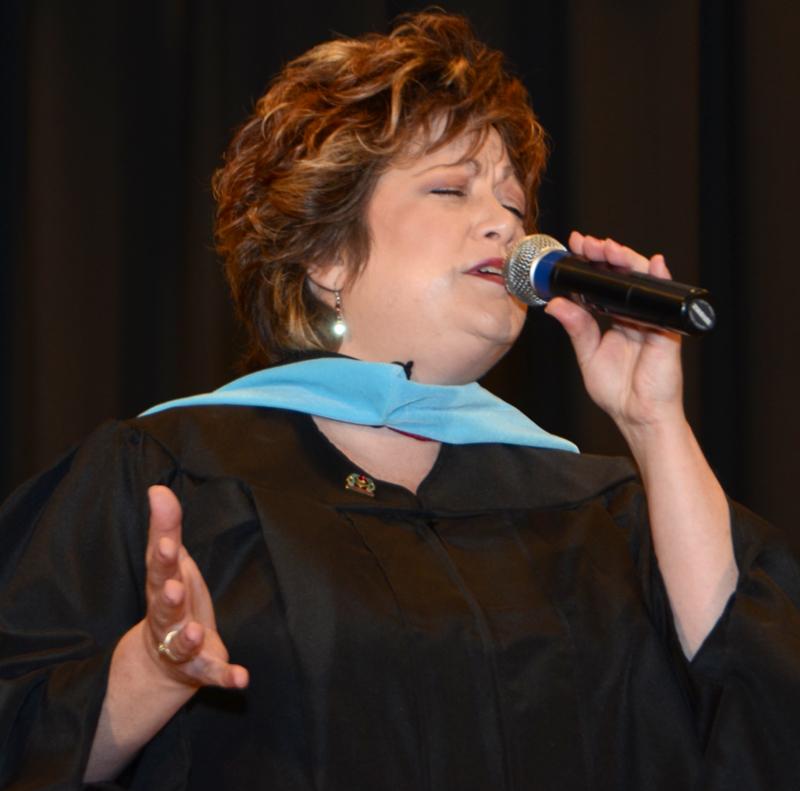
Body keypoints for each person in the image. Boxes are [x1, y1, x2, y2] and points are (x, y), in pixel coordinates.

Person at [1, 10, 798, 790]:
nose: (504, 226)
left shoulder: (600, 503)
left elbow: (753, 703)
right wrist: (150, 668)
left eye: (515, 206)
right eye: (452, 190)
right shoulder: (169, 475)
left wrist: (652, 421)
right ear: (325, 256)